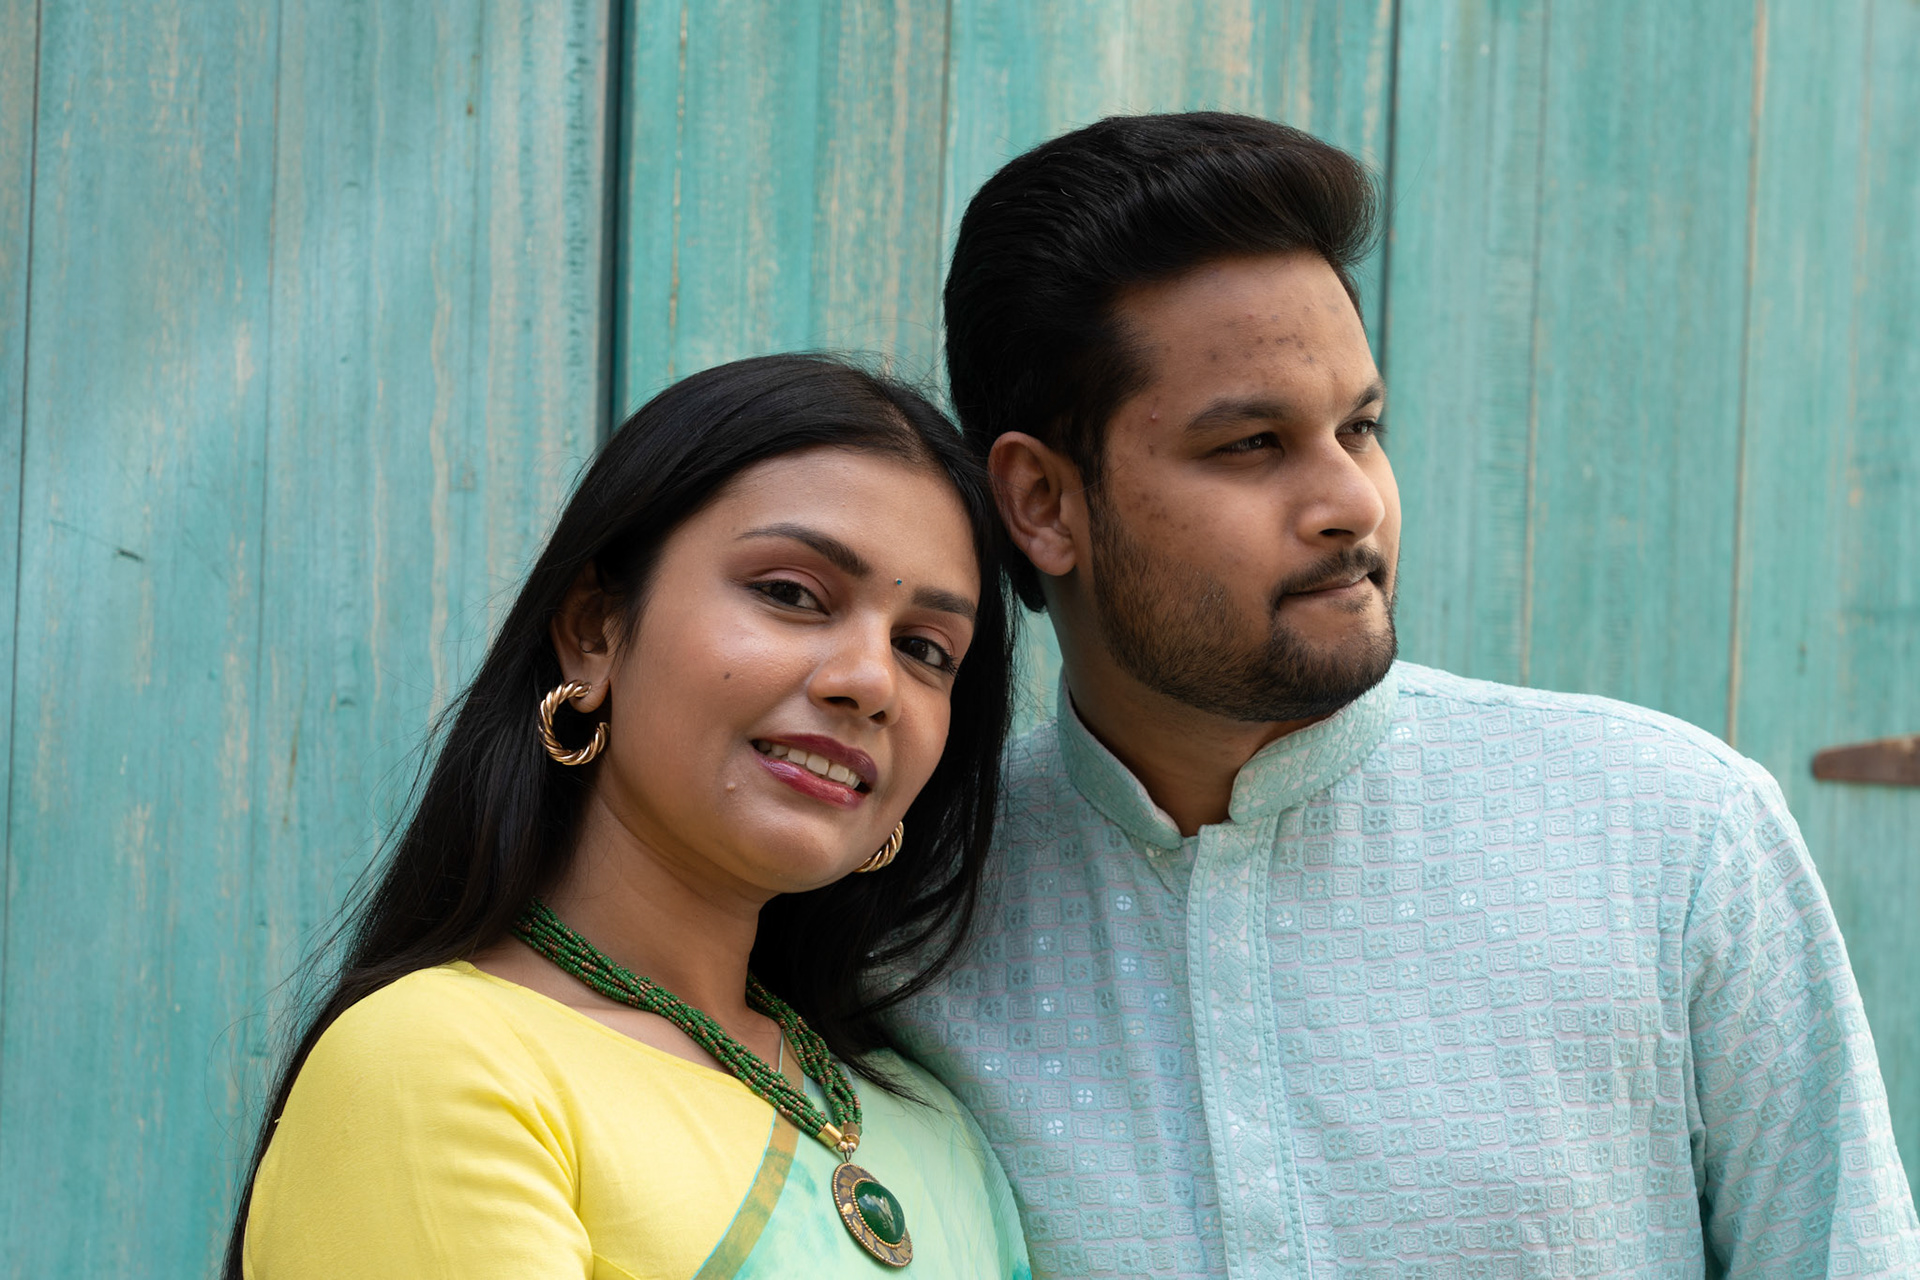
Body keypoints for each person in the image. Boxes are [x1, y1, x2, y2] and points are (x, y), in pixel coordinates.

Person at [890, 113, 1920, 1278]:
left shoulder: (1672, 838)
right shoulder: (911, 913)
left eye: (1361, 428)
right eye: (1252, 443)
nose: (1353, 502)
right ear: (1042, 502)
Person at [229, 354, 1032, 1278]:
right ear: (595, 630)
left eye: (926, 649)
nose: (870, 681)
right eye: (790, 593)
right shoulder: (441, 1063)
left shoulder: (934, 1133)